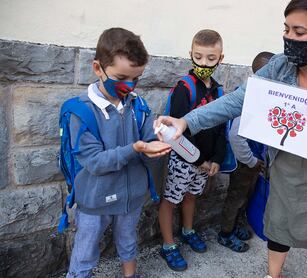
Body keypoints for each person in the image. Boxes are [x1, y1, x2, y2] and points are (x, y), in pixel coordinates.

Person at [154, 1, 307, 277]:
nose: (288, 39)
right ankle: (273, 274)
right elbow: (237, 100)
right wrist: (186, 121)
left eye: (299, 32)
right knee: (278, 225)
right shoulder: (279, 67)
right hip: (287, 169)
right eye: (286, 29)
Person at [66, 28, 171, 278]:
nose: (129, 86)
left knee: (128, 241)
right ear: (97, 68)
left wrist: (158, 142)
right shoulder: (80, 112)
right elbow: (94, 162)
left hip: (130, 196)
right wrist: (135, 148)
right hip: (94, 200)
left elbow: (147, 143)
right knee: (85, 251)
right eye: (122, 78)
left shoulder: (139, 105)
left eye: (137, 79)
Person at [158, 29, 226, 272]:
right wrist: (198, 160)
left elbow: (221, 127)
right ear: (191, 54)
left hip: (205, 162)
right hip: (183, 159)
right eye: (198, 57)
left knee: (191, 196)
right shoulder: (184, 88)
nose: (204, 63)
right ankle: (168, 245)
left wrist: (216, 158)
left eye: (210, 58)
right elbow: (178, 131)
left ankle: (188, 231)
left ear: (221, 58)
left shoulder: (218, 91)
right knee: (171, 199)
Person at [217, 51, 274, 253]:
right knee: (236, 197)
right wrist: (250, 161)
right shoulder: (250, 98)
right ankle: (225, 234)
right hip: (244, 161)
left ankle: (236, 225)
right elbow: (236, 136)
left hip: (252, 160)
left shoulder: (264, 95)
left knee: (246, 195)